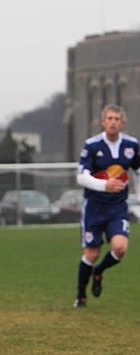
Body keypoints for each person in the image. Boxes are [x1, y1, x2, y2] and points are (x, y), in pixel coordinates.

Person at [73, 104, 140, 308]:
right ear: (103, 122)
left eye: (116, 118)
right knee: (91, 253)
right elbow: (81, 177)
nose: (113, 122)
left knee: (120, 248)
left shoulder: (132, 145)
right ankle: (81, 295)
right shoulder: (92, 146)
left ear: (122, 122)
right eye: (109, 118)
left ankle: (99, 271)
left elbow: (138, 172)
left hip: (117, 208)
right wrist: (104, 185)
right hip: (94, 208)